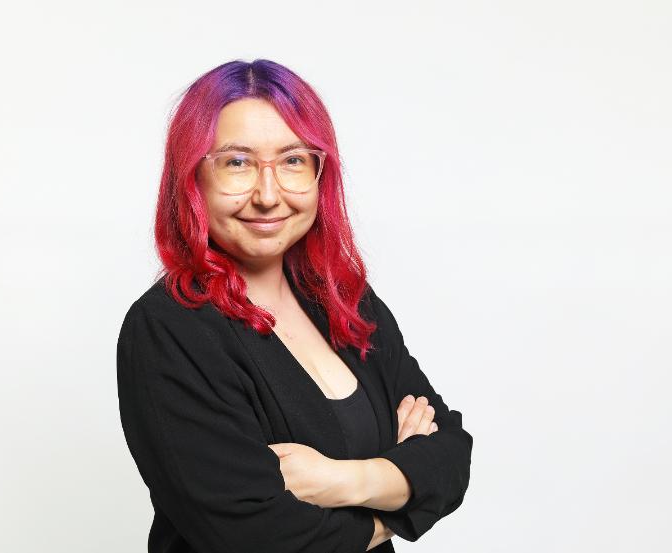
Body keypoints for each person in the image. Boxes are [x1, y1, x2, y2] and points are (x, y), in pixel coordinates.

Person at [117, 58, 473, 553]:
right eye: (236, 163)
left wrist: (342, 481)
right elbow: (256, 536)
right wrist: (395, 507)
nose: (268, 195)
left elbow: (451, 457)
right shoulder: (168, 329)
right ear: (192, 178)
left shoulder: (344, 300)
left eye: (292, 161)